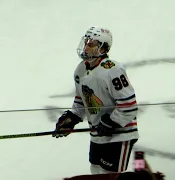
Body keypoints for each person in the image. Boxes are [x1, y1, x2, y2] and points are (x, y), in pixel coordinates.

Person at [52, 26, 139, 174]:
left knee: (108, 176)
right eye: (86, 42)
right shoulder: (80, 70)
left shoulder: (113, 70)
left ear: (103, 48)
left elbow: (129, 105)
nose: (86, 46)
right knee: (95, 171)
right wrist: (72, 118)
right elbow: (81, 101)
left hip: (120, 134)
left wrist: (112, 122)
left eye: (91, 44)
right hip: (97, 134)